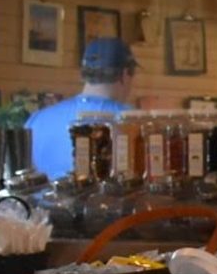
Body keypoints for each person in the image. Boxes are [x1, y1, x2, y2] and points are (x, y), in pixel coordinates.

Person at [27, 36, 138, 179]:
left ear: (84, 73)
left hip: (40, 201)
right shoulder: (133, 122)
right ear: (125, 74)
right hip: (102, 200)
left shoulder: (37, 119)